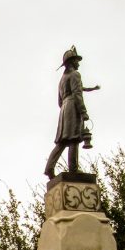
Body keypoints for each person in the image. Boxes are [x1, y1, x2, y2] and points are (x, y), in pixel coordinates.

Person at [44, 46, 100, 178]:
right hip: (72, 107)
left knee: (62, 141)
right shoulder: (75, 74)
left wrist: (66, 107)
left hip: (64, 109)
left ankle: (49, 168)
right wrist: (83, 112)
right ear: (71, 62)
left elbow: (59, 101)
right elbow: (77, 94)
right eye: (76, 61)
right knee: (74, 138)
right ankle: (73, 169)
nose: (78, 63)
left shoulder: (62, 80)